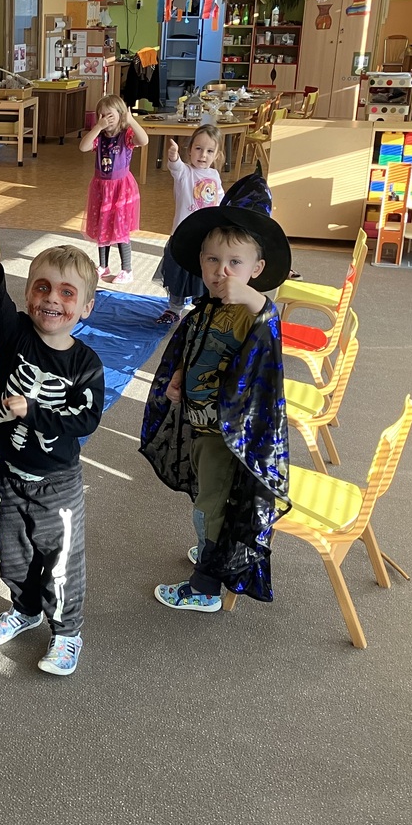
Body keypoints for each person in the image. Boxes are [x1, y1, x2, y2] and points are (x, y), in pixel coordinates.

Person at [138, 173, 292, 612]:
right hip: (202, 427)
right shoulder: (208, 307)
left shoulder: (250, 313)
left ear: (256, 270)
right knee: (211, 500)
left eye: (235, 262)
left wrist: (251, 297)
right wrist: (179, 376)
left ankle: (206, 585)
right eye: (212, 260)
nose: (221, 271)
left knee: (210, 504)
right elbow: (198, 346)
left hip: (228, 436)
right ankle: (213, 548)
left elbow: (269, 320)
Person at [0, 219, 106, 676]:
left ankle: (67, 632)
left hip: (57, 484)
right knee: (13, 554)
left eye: (67, 293)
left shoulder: (86, 365)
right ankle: (25, 609)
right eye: (42, 287)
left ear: (86, 307)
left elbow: (85, 419)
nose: (52, 298)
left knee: (60, 562)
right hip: (8, 473)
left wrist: (34, 411)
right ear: (29, 294)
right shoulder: (17, 337)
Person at [155, 124, 223, 323]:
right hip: (183, 237)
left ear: (217, 154)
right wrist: (173, 156)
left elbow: (220, 201)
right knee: (178, 275)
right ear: (190, 149)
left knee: (202, 274)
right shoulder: (185, 172)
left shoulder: (215, 176)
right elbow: (175, 166)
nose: (203, 155)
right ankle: (174, 308)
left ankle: (201, 308)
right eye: (198, 148)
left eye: (209, 151)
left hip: (206, 239)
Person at [80, 94, 148, 285]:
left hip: (121, 189)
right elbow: (83, 147)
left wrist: (131, 120)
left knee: (120, 229)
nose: (105, 120)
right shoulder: (99, 136)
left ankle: (127, 269)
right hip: (101, 189)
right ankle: (103, 265)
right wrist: (97, 127)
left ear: (120, 115)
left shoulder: (126, 136)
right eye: (101, 115)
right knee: (102, 226)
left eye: (109, 115)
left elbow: (144, 140)